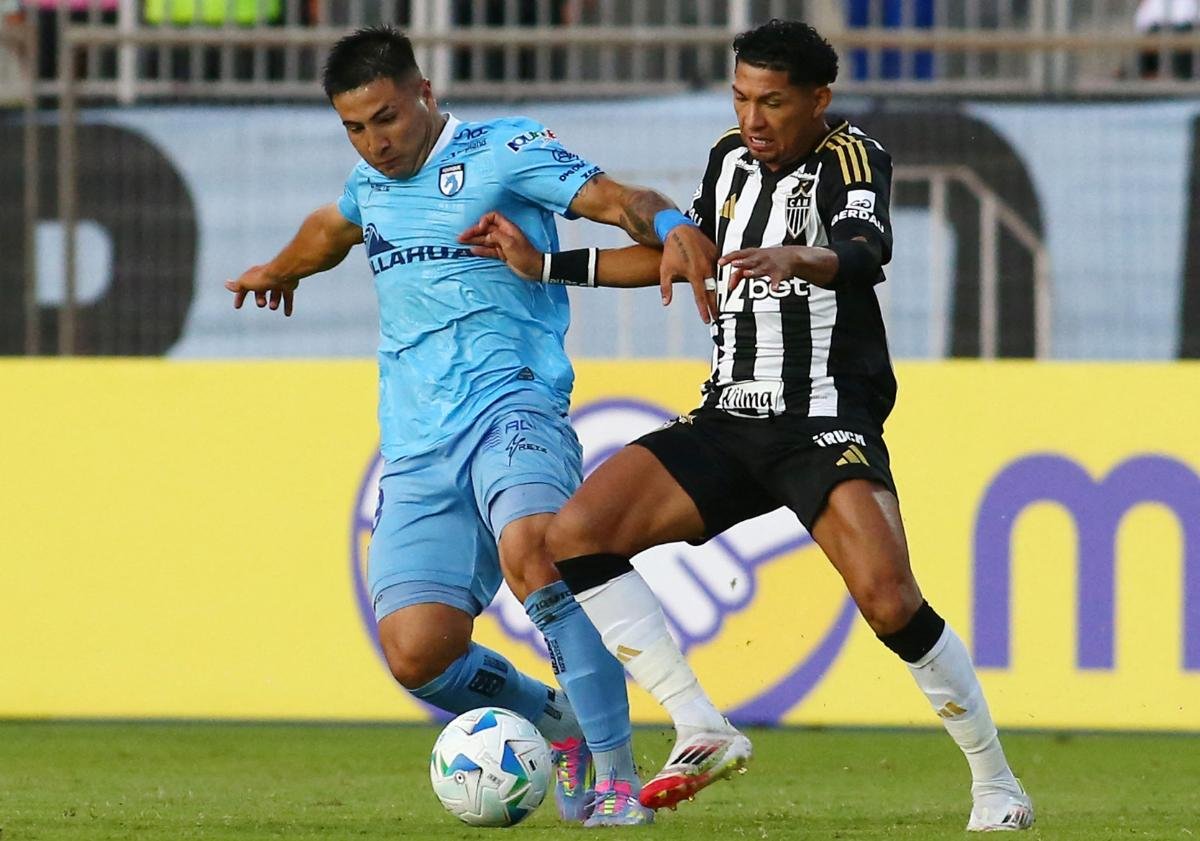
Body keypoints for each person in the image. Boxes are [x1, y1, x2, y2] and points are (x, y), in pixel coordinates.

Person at [460, 18, 1035, 832]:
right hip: (730, 416)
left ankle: (997, 784)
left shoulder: (854, 157)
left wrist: (797, 257)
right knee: (576, 532)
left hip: (822, 418)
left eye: (772, 101)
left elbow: (865, 250)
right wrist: (543, 264)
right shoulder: (729, 160)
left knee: (889, 599)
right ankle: (700, 724)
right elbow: (679, 255)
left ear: (818, 99)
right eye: (740, 97)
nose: (753, 119)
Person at [223, 25, 714, 827]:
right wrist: (278, 270)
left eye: (385, 117)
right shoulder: (367, 183)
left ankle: (618, 779)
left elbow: (617, 200)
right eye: (354, 126)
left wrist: (668, 229)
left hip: (512, 404)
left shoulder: (504, 149)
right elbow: (330, 228)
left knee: (540, 554)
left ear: (425, 93)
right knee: (418, 652)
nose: (374, 142)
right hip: (417, 444)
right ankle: (561, 725)